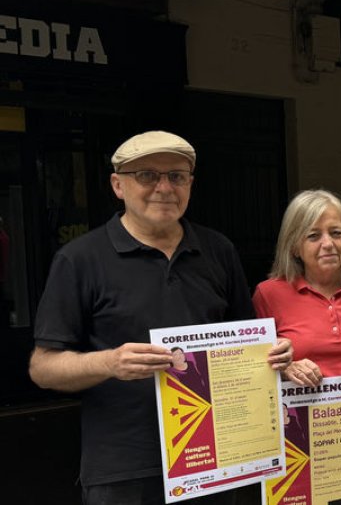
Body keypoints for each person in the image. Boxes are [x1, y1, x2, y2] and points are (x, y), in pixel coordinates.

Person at [28, 130, 292, 504]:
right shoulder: (80, 259)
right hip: (126, 467)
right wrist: (109, 362)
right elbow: (43, 368)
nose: (164, 187)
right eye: (147, 175)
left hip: (217, 458)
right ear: (118, 185)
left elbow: (247, 343)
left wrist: (272, 355)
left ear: (190, 184)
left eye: (177, 176)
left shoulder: (217, 250)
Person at [254, 189, 341, 387]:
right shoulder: (268, 294)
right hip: (298, 414)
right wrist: (287, 368)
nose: (328, 244)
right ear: (294, 247)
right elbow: (252, 363)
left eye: (336, 233)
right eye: (314, 236)